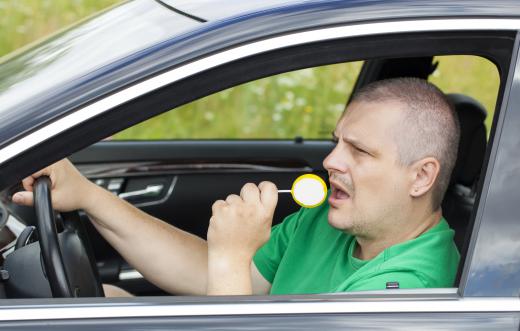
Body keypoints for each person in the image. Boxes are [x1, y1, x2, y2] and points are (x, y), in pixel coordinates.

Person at [12, 77, 460, 296]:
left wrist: (231, 254)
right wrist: (90, 196)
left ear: (420, 176)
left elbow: (227, 276)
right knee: (103, 300)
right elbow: (209, 277)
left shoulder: (407, 290)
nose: (330, 161)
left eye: (359, 152)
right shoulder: (331, 221)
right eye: (335, 142)